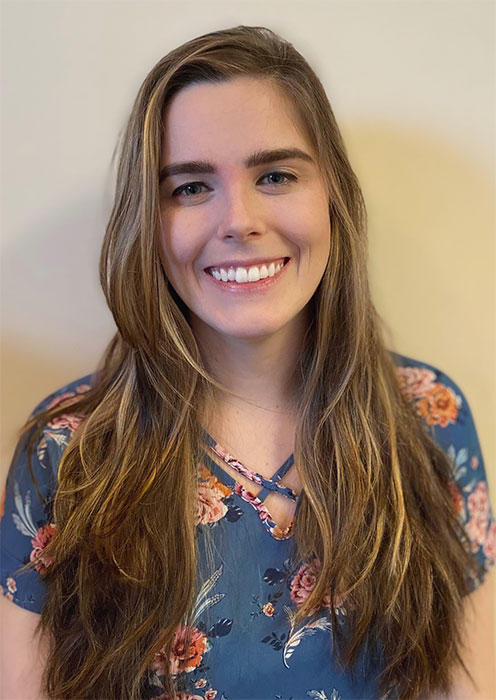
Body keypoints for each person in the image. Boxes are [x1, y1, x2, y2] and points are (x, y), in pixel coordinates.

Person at [0, 24, 494, 700]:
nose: (240, 218)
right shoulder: (69, 453)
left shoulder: (428, 416)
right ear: (150, 220)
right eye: (192, 188)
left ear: (332, 198)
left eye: (274, 175)